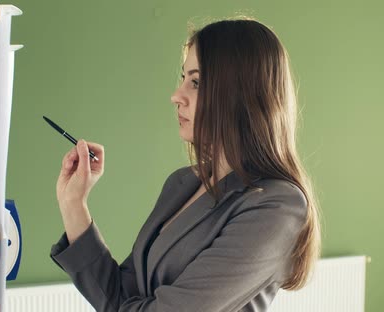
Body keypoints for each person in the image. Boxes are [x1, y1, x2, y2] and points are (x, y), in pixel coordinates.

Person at [50, 17, 321, 312]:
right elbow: (119, 295)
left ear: (240, 94)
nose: (176, 96)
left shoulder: (276, 206)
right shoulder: (181, 183)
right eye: (183, 79)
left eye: (196, 82)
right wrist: (73, 203)